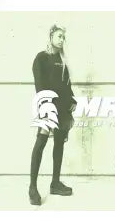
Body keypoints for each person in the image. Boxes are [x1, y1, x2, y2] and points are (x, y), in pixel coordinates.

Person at [29, 25, 76, 205]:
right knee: (40, 143)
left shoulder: (62, 61)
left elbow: (67, 86)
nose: (62, 39)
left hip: (63, 109)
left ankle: (55, 183)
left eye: (64, 37)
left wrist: (72, 100)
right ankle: (32, 188)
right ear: (50, 37)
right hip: (48, 108)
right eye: (59, 36)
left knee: (59, 144)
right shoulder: (41, 58)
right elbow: (39, 86)